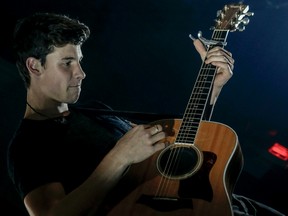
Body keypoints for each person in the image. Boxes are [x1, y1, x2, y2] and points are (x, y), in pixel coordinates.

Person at [6, 12, 284, 216]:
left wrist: (211, 89)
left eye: (80, 61)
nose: (81, 73)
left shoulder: (96, 112)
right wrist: (119, 158)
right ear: (35, 66)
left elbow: (178, 147)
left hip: (226, 204)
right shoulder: (27, 145)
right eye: (67, 63)